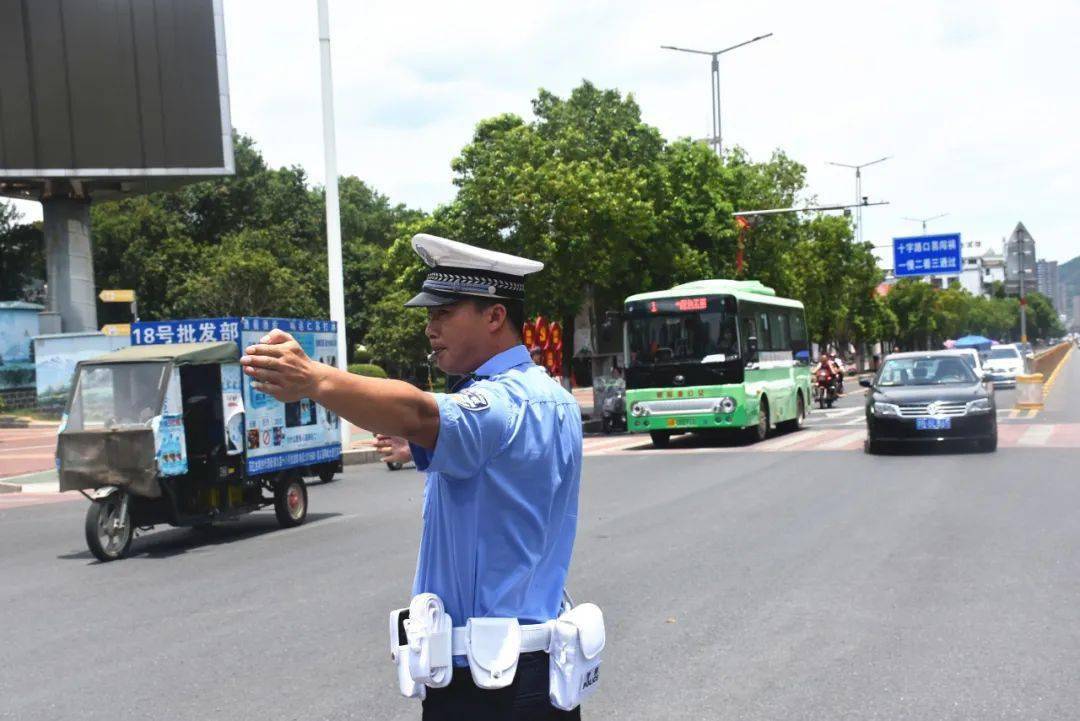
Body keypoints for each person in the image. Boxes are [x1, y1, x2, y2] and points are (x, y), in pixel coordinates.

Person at [240, 233, 587, 720]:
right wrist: (418, 443)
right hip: (536, 673)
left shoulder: (499, 403)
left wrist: (314, 378)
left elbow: (421, 413)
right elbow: (497, 468)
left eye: (444, 313)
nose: (430, 328)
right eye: (429, 314)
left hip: (490, 690)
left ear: (494, 316)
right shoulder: (555, 399)